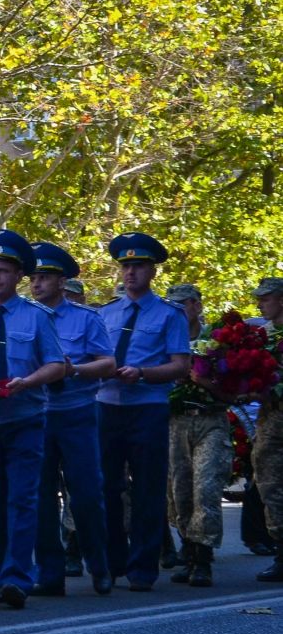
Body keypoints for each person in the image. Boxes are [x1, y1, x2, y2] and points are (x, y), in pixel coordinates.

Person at [0, 231, 66, 609]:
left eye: (3, 271)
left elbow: (57, 365)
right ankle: (3, 572)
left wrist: (29, 382)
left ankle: (16, 577)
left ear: (18, 276)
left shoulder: (37, 316)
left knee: (23, 499)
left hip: (25, 417)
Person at [95, 233, 191, 591]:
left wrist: (143, 373)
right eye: (125, 266)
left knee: (148, 489)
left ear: (152, 271)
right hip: (106, 406)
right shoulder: (105, 313)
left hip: (147, 408)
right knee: (106, 487)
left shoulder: (170, 314)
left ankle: (143, 568)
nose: (130, 272)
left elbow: (181, 365)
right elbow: (93, 356)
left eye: (138, 266)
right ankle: (112, 561)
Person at [27, 242, 115, 596]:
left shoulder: (86, 318)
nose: (37, 284)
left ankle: (99, 566)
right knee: (41, 497)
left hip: (77, 413)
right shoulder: (24, 316)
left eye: (44, 277)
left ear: (62, 282)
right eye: (33, 278)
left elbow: (107, 363)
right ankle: (50, 573)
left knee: (87, 494)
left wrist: (74, 369)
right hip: (37, 414)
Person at [164, 283, 230, 587]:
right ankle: (188, 551)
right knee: (179, 492)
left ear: (197, 306)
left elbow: (232, 391)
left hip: (210, 419)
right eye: (173, 306)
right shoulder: (164, 340)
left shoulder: (216, 342)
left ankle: (203, 559)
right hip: (176, 422)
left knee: (206, 488)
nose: (178, 311)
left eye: (184, 304)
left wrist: (204, 381)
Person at [251, 277, 283, 581]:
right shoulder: (262, 336)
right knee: (269, 481)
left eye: (266, 298)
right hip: (271, 416)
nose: (260, 305)